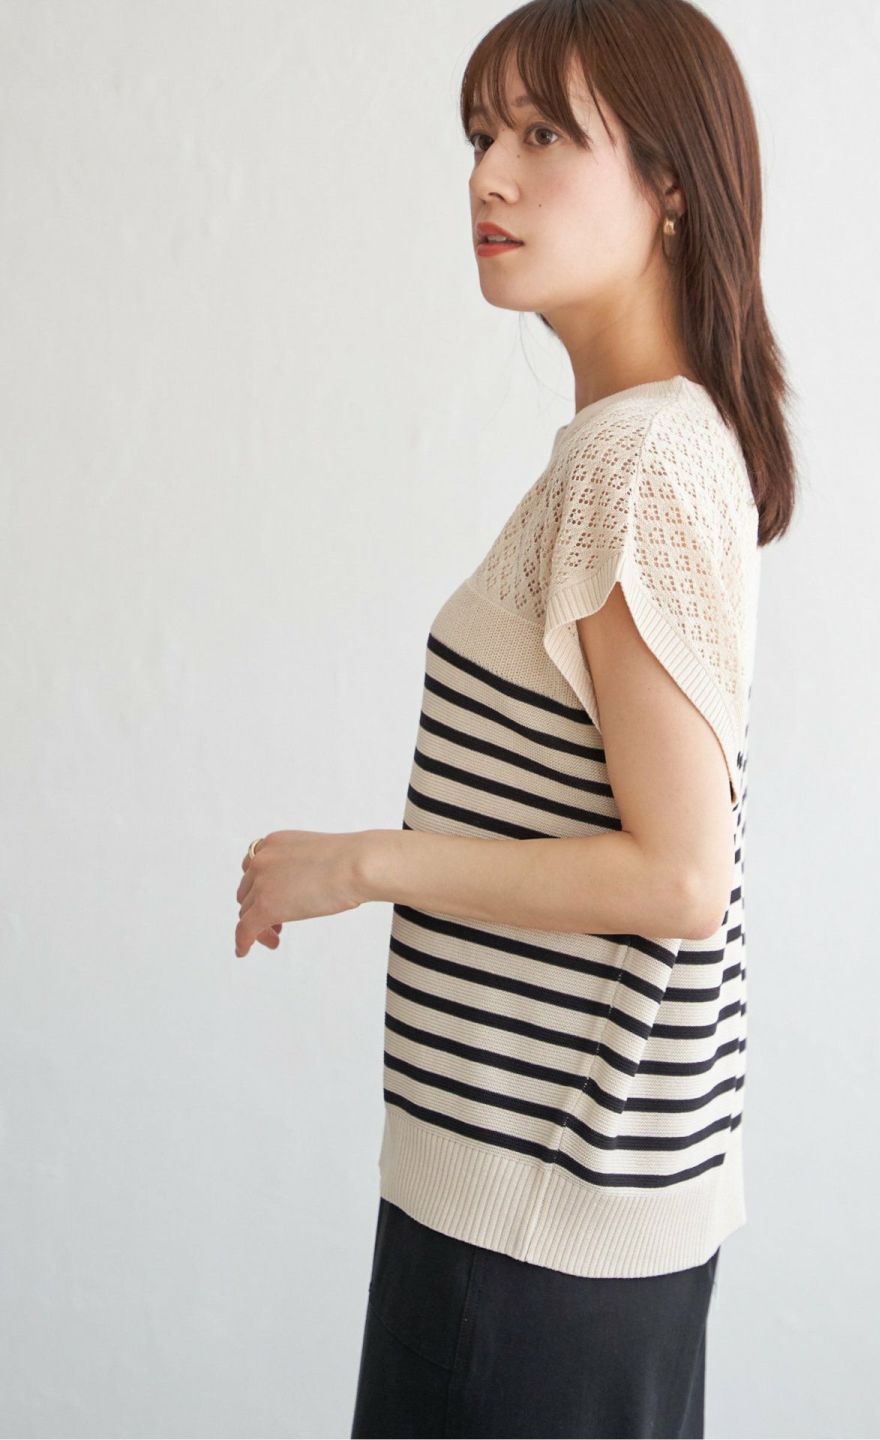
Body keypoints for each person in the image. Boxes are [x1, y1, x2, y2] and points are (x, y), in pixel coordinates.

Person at [235, 1, 796, 1433]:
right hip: (550, 1206)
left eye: (544, 134)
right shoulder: (643, 444)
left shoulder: (639, 461)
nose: (488, 175)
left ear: (670, 184)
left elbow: (679, 877)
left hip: (538, 1223)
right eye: (482, 134)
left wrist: (362, 863)